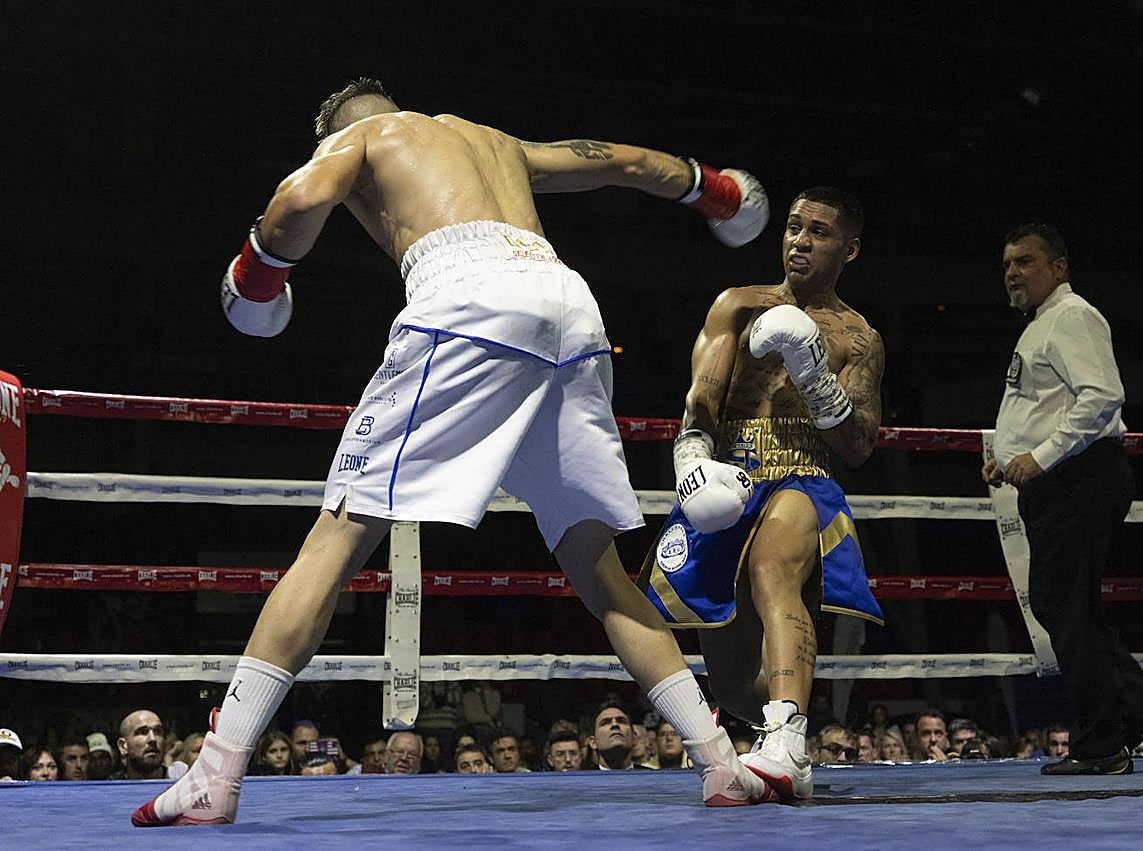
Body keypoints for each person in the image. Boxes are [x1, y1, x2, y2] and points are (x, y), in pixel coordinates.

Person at [133, 77, 773, 827]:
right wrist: (717, 192)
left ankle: (213, 775)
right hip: (568, 307)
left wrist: (257, 277)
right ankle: (723, 764)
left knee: (336, 537)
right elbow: (627, 162)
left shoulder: (366, 138)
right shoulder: (492, 140)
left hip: (469, 302)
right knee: (596, 566)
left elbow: (297, 204)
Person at [638, 187, 884, 802]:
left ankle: (787, 740)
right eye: (794, 227)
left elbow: (859, 446)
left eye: (819, 232)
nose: (800, 240)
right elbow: (703, 397)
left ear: (849, 250)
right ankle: (782, 724)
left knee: (776, 570)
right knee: (728, 682)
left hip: (805, 476)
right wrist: (692, 462)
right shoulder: (739, 305)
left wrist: (812, 371)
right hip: (727, 481)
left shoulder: (859, 338)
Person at [982, 223, 1143, 776]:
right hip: (1058, 480)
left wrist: (1040, 457)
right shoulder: (1042, 325)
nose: (1013, 271)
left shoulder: (1073, 316)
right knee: (1069, 607)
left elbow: (1104, 396)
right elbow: (1042, 406)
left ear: (1058, 267)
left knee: (1062, 606)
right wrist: (1011, 455)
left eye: (1026, 261)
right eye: (1008, 262)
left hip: (1079, 478)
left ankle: (1103, 743)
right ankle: (1133, 710)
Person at [115, 709, 167, 780]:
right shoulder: (110, 788)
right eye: (143, 732)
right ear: (123, 746)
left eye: (157, 731)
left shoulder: (181, 785)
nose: (153, 739)